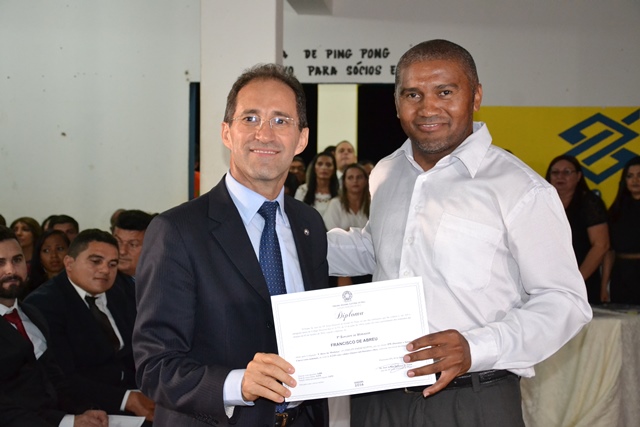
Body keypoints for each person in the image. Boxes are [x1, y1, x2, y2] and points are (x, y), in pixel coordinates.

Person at [327, 39, 592, 427]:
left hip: (472, 399)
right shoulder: (387, 172)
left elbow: (565, 301)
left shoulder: (520, 188)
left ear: (476, 96)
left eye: (445, 92)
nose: (427, 108)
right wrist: (294, 237)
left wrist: (475, 347)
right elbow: (377, 249)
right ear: (397, 103)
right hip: (380, 396)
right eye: (413, 94)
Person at [133, 64, 329, 427]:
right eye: (250, 118)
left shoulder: (310, 225)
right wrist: (238, 384)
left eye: (281, 120)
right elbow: (154, 367)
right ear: (227, 132)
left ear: (301, 139)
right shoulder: (176, 231)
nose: (264, 133)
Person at [25, 229, 155, 423]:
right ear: (69, 263)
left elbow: (143, 346)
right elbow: (62, 377)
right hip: (85, 406)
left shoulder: (123, 289)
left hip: (140, 389)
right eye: (96, 261)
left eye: (112, 264)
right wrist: (127, 399)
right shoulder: (44, 305)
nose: (105, 270)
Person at [0, 225, 109, 427]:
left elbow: (55, 380)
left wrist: (84, 411)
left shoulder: (33, 314)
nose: (11, 270)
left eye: (17, 260)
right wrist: (67, 422)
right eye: (0, 263)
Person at [546, 155, 610, 304]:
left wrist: (576, 280)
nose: (560, 176)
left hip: (583, 279)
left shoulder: (589, 203)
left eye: (567, 172)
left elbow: (601, 245)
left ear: (578, 176)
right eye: (555, 172)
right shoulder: (542, 202)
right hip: (548, 280)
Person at [602, 156, 640, 304]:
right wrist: (604, 286)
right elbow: (609, 251)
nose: (635, 180)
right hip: (621, 275)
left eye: (639, 175)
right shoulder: (616, 211)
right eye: (630, 176)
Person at [26, 229, 70, 295]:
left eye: (59, 249)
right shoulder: (29, 289)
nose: (54, 255)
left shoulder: (80, 284)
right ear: (38, 255)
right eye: (46, 250)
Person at [294, 152, 339, 216]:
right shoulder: (302, 190)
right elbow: (296, 214)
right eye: (320, 164)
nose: (324, 168)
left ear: (334, 169)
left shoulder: (340, 192)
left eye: (328, 165)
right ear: (314, 168)